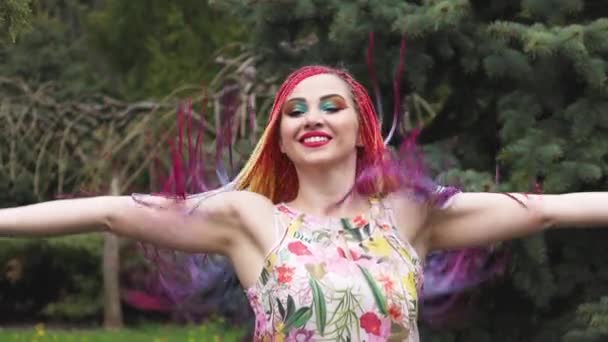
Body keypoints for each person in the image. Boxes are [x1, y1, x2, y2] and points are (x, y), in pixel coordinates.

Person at [1, 65, 607, 341]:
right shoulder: (248, 219)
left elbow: (545, 209)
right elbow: (111, 211)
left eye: (329, 105)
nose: (311, 117)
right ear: (280, 140)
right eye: (294, 110)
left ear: (362, 129)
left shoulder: (409, 215)